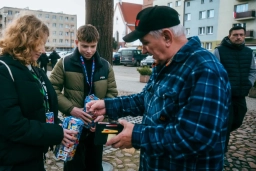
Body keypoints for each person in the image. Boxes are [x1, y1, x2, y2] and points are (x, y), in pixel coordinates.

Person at [86, 6, 231, 170]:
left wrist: (137, 135)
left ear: (167, 37)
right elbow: (145, 99)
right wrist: (108, 105)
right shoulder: (166, 62)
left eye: (146, 43)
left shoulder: (205, 70)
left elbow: (195, 138)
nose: (144, 50)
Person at [0, 14, 77, 171]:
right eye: (40, 43)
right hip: (13, 159)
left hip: (33, 153)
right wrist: (56, 133)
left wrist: (61, 127)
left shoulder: (33, 69)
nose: (43, 50)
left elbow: (39, 109)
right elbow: (13, 125)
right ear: (25, 40)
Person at [49, 24, 118, 171]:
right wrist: (71, 109)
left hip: (97, 126)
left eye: (93, 46)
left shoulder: (105, 66)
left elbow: (112, 93)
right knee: (73, 166)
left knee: (95, 165)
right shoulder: (64, 63)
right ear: (76, 43)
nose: (89, 51)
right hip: (73, 127)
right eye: (85, 46)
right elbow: (52, 90)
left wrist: (103, 113)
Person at [213, 26, 256, 166]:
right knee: (226, 123)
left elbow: (252, 70)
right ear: (229, 36)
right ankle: (221, 153)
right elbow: (214, 71)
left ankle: (215, 135)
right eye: (235, 35)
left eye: (241, 35)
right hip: (224, 96)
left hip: (240, 94)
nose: (239, 37)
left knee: (237, 120)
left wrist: (248, 84)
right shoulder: (219, 51)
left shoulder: (249, 52)